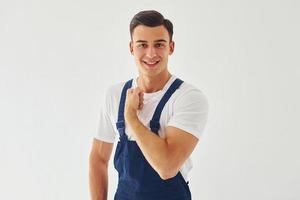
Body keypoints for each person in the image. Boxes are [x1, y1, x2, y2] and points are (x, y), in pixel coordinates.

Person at [89, 10, 209, 200]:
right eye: (142, 45)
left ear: (171, 47)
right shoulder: (114, 95)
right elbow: (98, 158)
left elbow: (167, 166)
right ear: (131, 48)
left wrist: (131, 117)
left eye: (159, 44)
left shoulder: (188, 98)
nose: (151, 53)